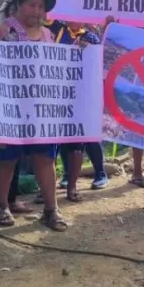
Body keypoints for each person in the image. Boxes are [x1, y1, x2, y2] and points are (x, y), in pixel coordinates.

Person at [0, 0, 65, 231]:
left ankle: (51, 209)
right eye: (31, 4)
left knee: (45, 158)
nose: (36, 10)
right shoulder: (1, 31)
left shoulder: (48, 36)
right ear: (18, 5)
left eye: (40, 6)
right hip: (8, 107)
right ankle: (2, 206)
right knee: (6, 158)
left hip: (40, 108)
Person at [46, 18, 104, 199]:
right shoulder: (57, 29)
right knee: (53, 141)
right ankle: (49, 188)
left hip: (79, 94)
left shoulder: (90, 37)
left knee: (79, 140)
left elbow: (98, 61)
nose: (74, 19)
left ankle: (74, 185)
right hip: (54, 93)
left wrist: (89, 50)